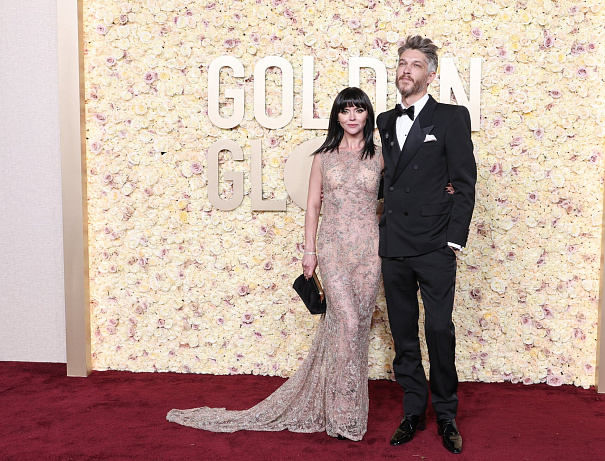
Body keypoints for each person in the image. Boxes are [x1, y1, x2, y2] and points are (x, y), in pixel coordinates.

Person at [167, 87, 383, 441]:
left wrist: (443, 188)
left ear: (367, 115)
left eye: (358, 110)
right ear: (337, 117)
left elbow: (403, 194)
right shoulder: (324, 157)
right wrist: (309, 252)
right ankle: (342, 416)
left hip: (370, 253)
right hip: (332, 249)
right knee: (345, 323)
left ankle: (347, 410)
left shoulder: (380, 156)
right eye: (345, 111)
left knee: (356, 328)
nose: (352, 117)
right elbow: (313, 206)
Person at [376, 36, 476, 454]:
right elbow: (389, 178)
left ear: (431, 74)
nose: (406, 70)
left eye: (416, 64)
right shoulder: (384, 120)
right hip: (394, 243)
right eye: (402, 63)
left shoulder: (451, 117)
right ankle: (413, 410)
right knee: (403, 333)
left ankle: (447, 413)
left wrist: (453, 240)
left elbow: (465, 182)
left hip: (435, 244)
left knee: (438, 330)